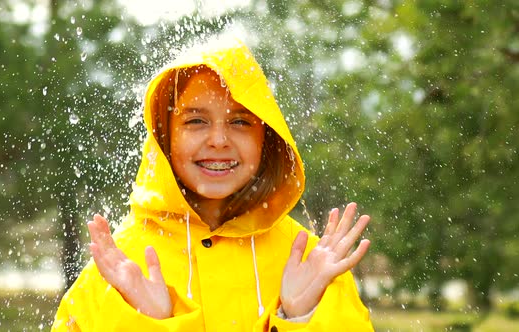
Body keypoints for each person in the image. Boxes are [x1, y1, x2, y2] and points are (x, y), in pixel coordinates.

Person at [51, 37, 373, 331]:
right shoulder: (122, 264)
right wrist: (147, 324)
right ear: (166, 135)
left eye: (239, 122)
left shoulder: (310, 263)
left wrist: (300, 316)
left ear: (268, 138)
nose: (219, 140)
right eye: (195, 121)